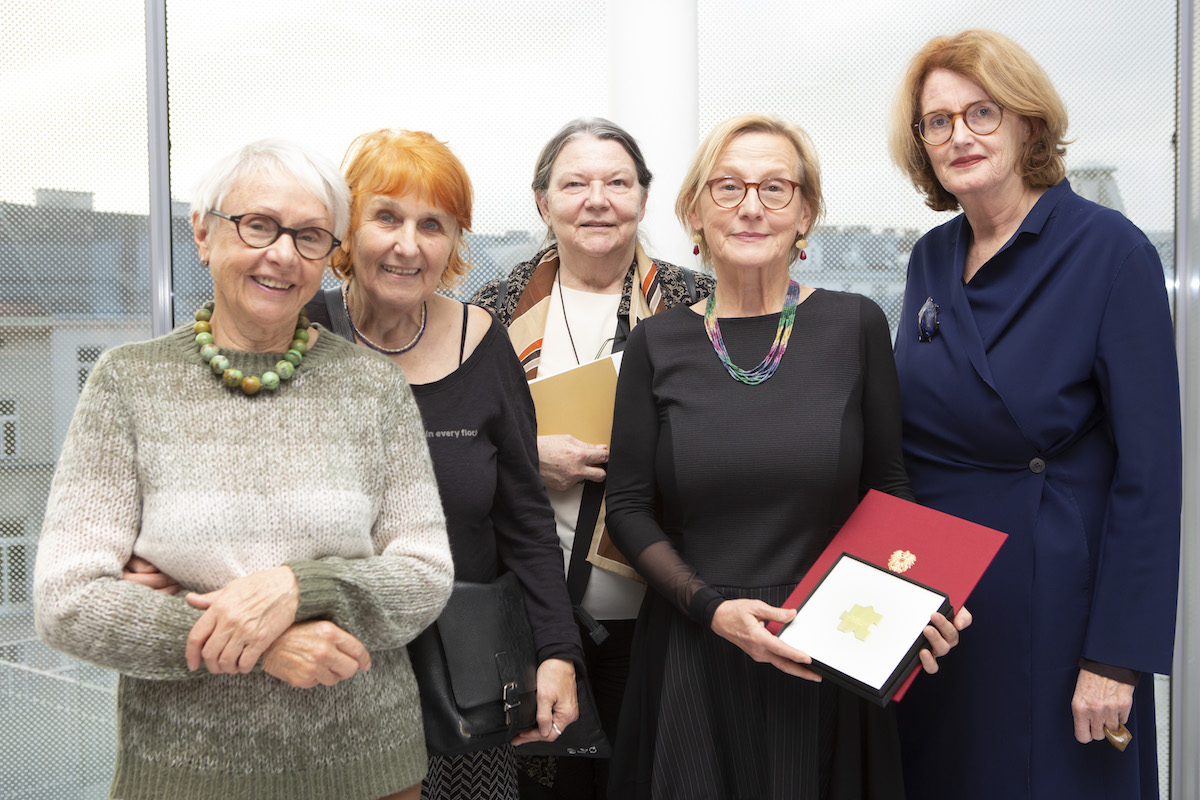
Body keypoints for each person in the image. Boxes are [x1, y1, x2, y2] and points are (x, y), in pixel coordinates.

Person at [33, 139, 455, 800]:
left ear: (327, 255)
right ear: (203, 233)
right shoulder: (128, 383)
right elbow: (68, 601)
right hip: (183, 778)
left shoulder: (373, 388)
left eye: (310, 236)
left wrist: (299, 588)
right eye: (258, 225)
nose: (282, 254)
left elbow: (425, 575)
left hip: (368, 774)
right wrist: (261, 643)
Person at [604, 113, 968, 800]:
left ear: (806, 213)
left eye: (776, 188)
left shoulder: (854, 323)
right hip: (695, 646)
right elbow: (626, 507)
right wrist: (711, 609)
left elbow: (888, 488)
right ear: (695, 211)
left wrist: (926, 596)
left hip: (827, 642)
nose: (751, 206)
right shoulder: (657, 343)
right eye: (729, 186)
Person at [888, 29, 1181, 800]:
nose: (959, 136)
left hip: (1057, 611)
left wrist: (1117, 654)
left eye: (981, 112)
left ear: (1028, 122)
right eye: (937, 121)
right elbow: (905, 434)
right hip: (942, 613)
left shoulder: (1111, 251)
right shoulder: (929, 257)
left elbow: (1151, 474)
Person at [299, 128, 584, 800]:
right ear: (347, 228)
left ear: (455, 242)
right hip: (326, 682)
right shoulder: (302, 335)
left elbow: (525, 520)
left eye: (434, 224)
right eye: (387, 217)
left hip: (463, 687)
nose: (408, 244)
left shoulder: (483, 343)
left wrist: (558, 653)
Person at [471, 117, 714, 799]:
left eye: (617, 181)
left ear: (644, 196)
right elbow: (449, 440)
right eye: (574, 183)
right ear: (543, 203)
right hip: (532, 615)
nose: (597, 198)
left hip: (664, 606)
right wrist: (526, 456)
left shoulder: (697, 303)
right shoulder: (492, 307)